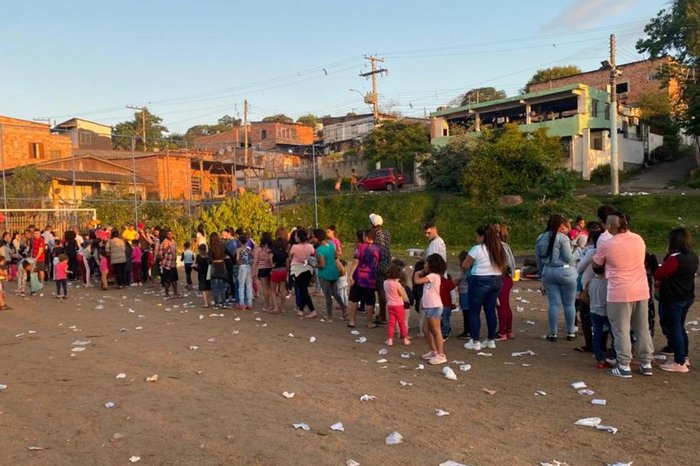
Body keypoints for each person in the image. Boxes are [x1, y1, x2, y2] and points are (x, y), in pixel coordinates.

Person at [593, 212, 654, 378]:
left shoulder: (608, 243)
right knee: (642, 328)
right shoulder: (638, 239)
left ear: (611, 226)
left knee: (621, 329)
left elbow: (596, 265)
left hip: (619, 291)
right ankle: (646, 362)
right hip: (641, 290)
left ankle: (624, 365)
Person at [655, 227, 698, 373]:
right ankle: (683, 357)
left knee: (675, 328)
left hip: (674, 297)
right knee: (679, 327)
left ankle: (679, 362)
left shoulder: (674, 259)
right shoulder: (693, 256)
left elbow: (659, 274)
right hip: (687, 296)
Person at [535, 214, 578, 342]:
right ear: (560, 225)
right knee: (569, 304)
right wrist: (579, 251)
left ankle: (553, 333)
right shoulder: (563, 238)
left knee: (553, 304)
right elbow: (568, 258)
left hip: (548, 271)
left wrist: (540, 275)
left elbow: (538, 260)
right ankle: (570, 331)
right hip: (565, 271)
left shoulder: (540, 238)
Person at [462, 224, 506, 351]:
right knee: (490, 311)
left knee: (474, 312)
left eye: (477, 236)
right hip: (496, 280)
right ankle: (490, 339)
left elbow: (465, 265)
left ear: (482, 236)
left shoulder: (477, 249)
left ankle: (475, 341)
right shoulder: (498, 248)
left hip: (479, 280)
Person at [413, 253, 448, 365]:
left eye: (427, 262)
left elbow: (417, 281)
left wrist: (417, 273)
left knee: (436, 330)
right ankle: (433, 351)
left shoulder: (434, 276)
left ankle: (441, 354)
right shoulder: (431, 276)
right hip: (428, 306)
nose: (425, 264)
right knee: (426, 329)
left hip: (434, 306)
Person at [346, 229, 380, 328]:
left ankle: (352, 321)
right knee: (370, 301)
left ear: (366, 237)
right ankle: (370, 323)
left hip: (359, 277)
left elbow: (355, 262)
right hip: (370, 278)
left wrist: (350, 274)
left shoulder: (360, 247)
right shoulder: (377, 249)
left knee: (354, 299)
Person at [312, 228, 346, 322]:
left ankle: (329, 316)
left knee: (327, 295)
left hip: (325, 274)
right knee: (335, 292)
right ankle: (344, 309)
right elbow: (335, 257)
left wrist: (314, 264)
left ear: (317, 238)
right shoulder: (331, 244)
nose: (313, 239)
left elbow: (322, 265)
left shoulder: (319, 250)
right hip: (334, 272)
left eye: (313, 237)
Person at [494, 224, 516, 340]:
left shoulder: (499, 247)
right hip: (507, 278)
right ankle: (509, 330)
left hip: (501, 278)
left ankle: (502, 332)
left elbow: (503, 264)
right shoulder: (506, 246)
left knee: (501, 306)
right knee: (506, 305)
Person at [289, 228, 316, 318]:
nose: (295, 237)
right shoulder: (310, 247)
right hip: (308, 270)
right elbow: (313, 255)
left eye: (296, 236)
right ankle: (301, 309)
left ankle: (312, 310)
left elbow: (290, 257)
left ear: (299, 238)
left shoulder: (294, 247)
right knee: (303, 289)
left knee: (303, 290)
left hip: (297, 270)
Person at [383, 263, 411, 346]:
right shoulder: (398, 284)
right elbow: (403, 295)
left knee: (391, 323)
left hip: (390, 304)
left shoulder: (385, 282)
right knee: (401, 322)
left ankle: (390, 339)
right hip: (399, 305)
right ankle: (405, 338)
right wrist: (407, 300)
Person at [370, 213, 391, 324]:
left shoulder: (373, 235)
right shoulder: (386, 233)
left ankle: (382, 315)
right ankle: (382, 314)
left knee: (379, 290)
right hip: (387, 263)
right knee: (383, 289)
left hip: (377, 264)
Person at [253, 232, 274, 311]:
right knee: (271, 288)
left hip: (262, 269)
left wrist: (254, 272)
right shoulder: (272, 248)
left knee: (265, 288)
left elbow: (255, 261)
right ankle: (273, 304)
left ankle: (267, 305)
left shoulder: (258, 249)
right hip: (271, 268)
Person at [209, 232, 229, 309]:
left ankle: (216, 304)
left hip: (214, 267)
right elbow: (229, 253)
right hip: (222, 266)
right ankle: (224, 303)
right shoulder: (222, 246)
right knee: (222, 287)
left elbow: (210, 260)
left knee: (215, 287)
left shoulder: (211, 247)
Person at [236, 230, 254, 310]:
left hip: (242, 266)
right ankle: (249, 303)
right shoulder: (248, 249)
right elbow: (252, 257)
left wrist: (239, 262)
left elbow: (237, 259)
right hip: (248, 266)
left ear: (240, 242)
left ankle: (242, 303)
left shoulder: (239, 250)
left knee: (241, 285)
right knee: (249, 285)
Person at [269, 238, 288, 314]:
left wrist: (272, 266)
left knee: (273, 290)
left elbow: (269, 257)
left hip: (276, 270)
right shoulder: (285, 253)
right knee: (282, 290)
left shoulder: (274, 251)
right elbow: (287, 262)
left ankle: (275, 307)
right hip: (283, 270)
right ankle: (282, 308)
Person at [455, 250, 471, 340]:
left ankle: (467, 331)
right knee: (470, 313)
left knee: (466, 313)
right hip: (470, 292)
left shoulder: (464, 270)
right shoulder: (471, 269)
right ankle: (470, 330)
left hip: (464, 292)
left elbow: (457, 280)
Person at [160, 230, 179, 298]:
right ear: (166, 235)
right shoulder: (164, 242)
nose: (170, 235)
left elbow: (176, 251)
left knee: (174, 280)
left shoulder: (174, 242)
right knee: (167, 280)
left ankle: (175, 293)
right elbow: (160, 253)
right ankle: (167, 294)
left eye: (171, 234)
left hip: (173, 264)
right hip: (167, 264)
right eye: (168, 234)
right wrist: (167, 248)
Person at [195, 244, 211, 308]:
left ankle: (206, 303)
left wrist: (194, 267)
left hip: (201, 274)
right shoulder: (208, 256)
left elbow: (197, 266)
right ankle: (208, 301)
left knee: (203, 289)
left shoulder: (198, 257)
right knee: (208, 288)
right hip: (208, 273)